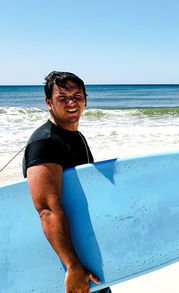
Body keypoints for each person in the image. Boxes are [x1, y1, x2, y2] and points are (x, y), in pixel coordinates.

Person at [23, 71, 110, 293]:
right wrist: (72, 266)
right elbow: (47, 210)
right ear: (48, 103)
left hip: (84, 255)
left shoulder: (75, 136)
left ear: (86, 99)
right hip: (65, 264)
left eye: (77, 95)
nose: (72, 102)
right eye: (62, 97)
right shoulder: (45, 142)